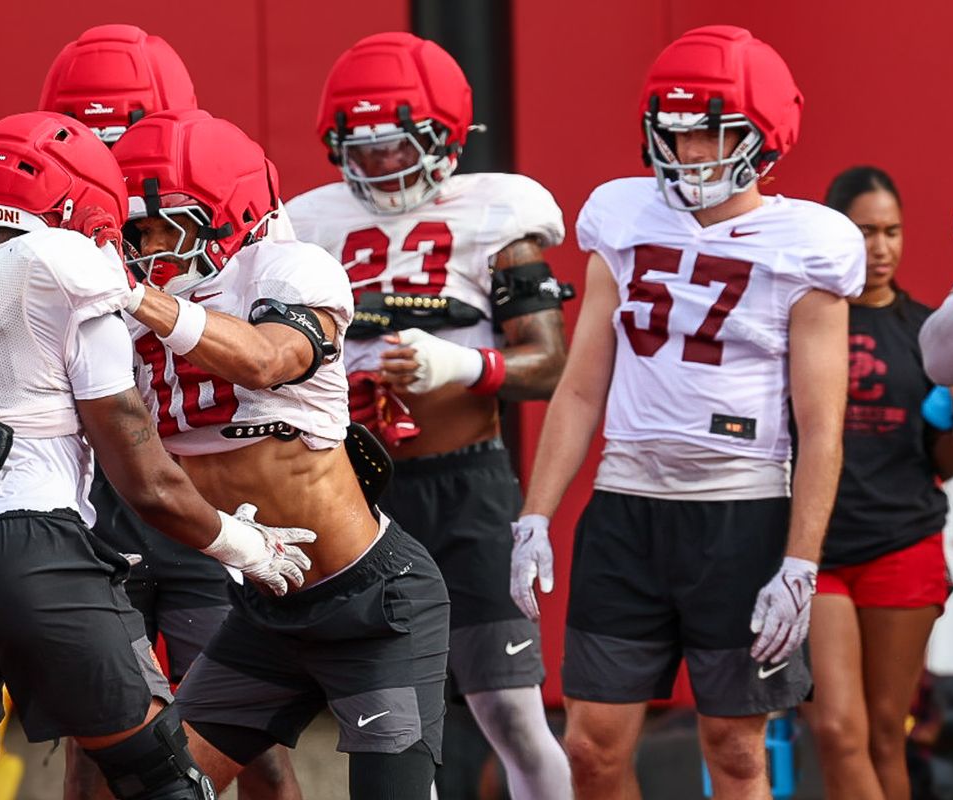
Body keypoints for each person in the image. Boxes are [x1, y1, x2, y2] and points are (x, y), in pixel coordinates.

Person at [0, 111, 315, 800]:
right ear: (79, 206)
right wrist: (244, 544)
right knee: (164, 781)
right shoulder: (65, 271)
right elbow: (144, 480)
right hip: (37, 555)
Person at [508, 25, 866, 799]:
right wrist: (536, 514)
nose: (690, 151)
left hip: (742, 510)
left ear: (763, 136)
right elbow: (579, 386)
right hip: (628, 505)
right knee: (592, 747)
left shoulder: (809, 240)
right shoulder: (623, 213)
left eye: (710, 132)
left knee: (735, 749)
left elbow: (822, 424)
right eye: (674, 133)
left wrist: (800, 562)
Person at [111, 108, 451, 800]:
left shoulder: (289, 269)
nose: (143, 247)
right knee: (160, 788)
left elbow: (267, 360)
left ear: (227, 214)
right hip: (265, 608)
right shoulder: (125, 303)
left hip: (372, 602)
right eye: (131, 231)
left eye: (161, 225)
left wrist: (138, 299)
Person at [285, 32, 573, 800]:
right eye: (363, 149)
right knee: (390, 716)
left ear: (444, 138)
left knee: (510, 712)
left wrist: (460, 365)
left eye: (395, 146)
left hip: (466, 487)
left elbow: (551, 362)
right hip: (353, 491)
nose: (379, 166)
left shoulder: (497, 211)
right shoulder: (305, 224)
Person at [40, 25, 302, 799]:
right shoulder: (44, 213)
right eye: (92, 132)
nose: (109, 151)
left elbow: (271, 348)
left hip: (199, 484)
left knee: (244, 732)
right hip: (93, 493)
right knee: (97, 734)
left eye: (125, 130)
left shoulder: (225, 205)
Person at [803, 166, 953, 800]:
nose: (882, 247)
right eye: (866, 231)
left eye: (892, 231)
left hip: (901, 545)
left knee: (887, 736)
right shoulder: (806, 325)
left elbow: (941, 464)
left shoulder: (928, 333)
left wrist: (952, 411)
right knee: (839, 732)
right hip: (815, 554)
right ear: (837, 234)